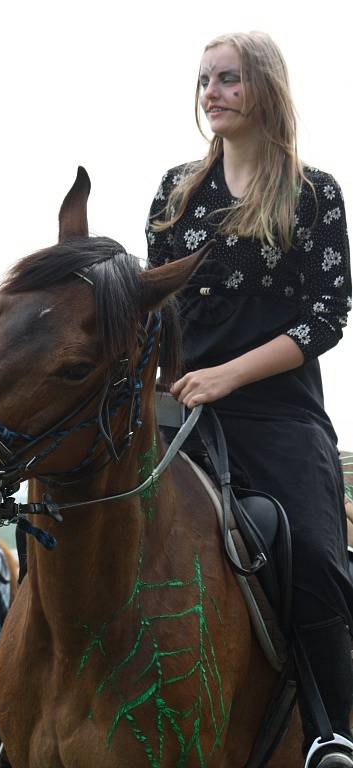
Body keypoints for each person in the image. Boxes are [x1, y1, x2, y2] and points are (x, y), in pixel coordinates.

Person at [146, 31, 352, 768]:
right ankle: (8, 710)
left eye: (228, 79)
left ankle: (330, 730)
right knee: (80, 512)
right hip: (177, 407)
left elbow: (326, 316)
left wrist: (227, 376)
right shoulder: (177, 191)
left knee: (320, 558)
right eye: (205, 80)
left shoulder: (312, 190)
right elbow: (155, 308)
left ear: (262, 87)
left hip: (276, 412)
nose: (212, 92)